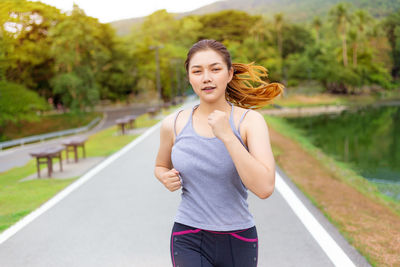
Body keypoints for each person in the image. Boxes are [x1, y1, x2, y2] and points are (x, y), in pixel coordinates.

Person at [154, 39, 284, 267]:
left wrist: (227, 136)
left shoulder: (249, 122)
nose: (206, 77)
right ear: (189, 77)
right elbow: (160, 166)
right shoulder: (172, 124)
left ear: (230, 73)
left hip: (239, 238)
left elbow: (264, 188)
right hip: (188, 236)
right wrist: (164, 177)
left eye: (215, 69)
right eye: (197, 71)